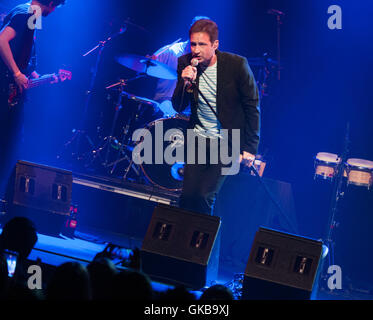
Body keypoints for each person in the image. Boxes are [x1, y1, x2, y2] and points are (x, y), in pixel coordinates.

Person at [172, 19, 261, 216]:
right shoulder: (185, 63)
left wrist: (250, 148)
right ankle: (181, 244)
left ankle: (202, 245)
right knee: (187, 197)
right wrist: (185, 83)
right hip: (198, 139)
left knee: (204, 197)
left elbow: (252, 106)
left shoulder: (237, 65)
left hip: (227, 142)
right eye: (193, 44)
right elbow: (177, 106)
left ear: (215, 45)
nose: (196, 49)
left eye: (202, 44)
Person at [0, 0, 65, 198]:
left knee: (10, 144)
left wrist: (44, 78)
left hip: (11, 92)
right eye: (55, 7)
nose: (53, 12)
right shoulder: (26, 13)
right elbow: (2, 40)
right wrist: (16, 72)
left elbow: (24, 58)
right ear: (51, 2)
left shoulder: (33, 16)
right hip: (4, 88)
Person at [151, 16, 210, 117]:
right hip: (165, 103)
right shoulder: (171, 51)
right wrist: (148, 61)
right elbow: (146, 67)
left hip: (189, 109)